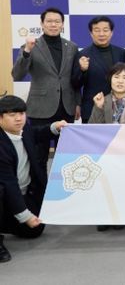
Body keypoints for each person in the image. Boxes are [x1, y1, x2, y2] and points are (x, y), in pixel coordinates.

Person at [0, 95, 67, 263]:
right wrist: (25, 216)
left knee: (34, 230)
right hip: (5, 193)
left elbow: (37, 132)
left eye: (21, 113)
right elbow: (8, 183)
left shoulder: (24, 130)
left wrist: (55, 127)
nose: (18, 118)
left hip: (22, 192)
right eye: (12, 115)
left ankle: (6, 221)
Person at [11, 7, 79, 168]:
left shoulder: (72, 47)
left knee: (66, 156)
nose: (53, 24)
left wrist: (78, 103)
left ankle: (61, 184)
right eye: (49, 21)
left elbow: (75, 78)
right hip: (40, 108)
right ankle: (39, 185)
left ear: (62, 24)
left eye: (57, 21)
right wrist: (27, 51)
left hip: (66, 107)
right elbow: (17, 75)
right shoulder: (31, 46)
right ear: (42, 24)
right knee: (38, 156)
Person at [71, 16, 125, 123]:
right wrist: (82, 70)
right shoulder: (83, 54)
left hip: (119, 108)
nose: (101, 34)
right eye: (97, 30)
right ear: (91, 33)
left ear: (111, 32)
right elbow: (75, 84)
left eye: (105, 30)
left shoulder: (121, 53)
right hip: (92, 109)